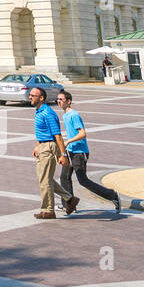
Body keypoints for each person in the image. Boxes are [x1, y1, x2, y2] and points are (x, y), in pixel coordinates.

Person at [55, 90, 121, 215]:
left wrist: (68, 141)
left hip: (79, 152)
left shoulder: (74, 115)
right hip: (70, 151)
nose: (58, 101)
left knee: (83, 181)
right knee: (64, 177)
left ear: (68, 101)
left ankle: (112, 195)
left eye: (61, 99)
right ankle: (68, 205)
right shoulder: (65, 115)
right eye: (57, 99)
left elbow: (82, 133)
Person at [30, 86, 73, 219]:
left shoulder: (48, 113)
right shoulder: (39, 111)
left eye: (33, 95)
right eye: (30, 95)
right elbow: (43, 133)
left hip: (49, 147)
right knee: (44, 179)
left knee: (45, 181)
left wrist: (63, 154)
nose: (30, 97)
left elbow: (57, 135)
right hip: (43, 146)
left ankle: (48, 210)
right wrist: (37, 146)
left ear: (41, 98)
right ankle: (69, 198)